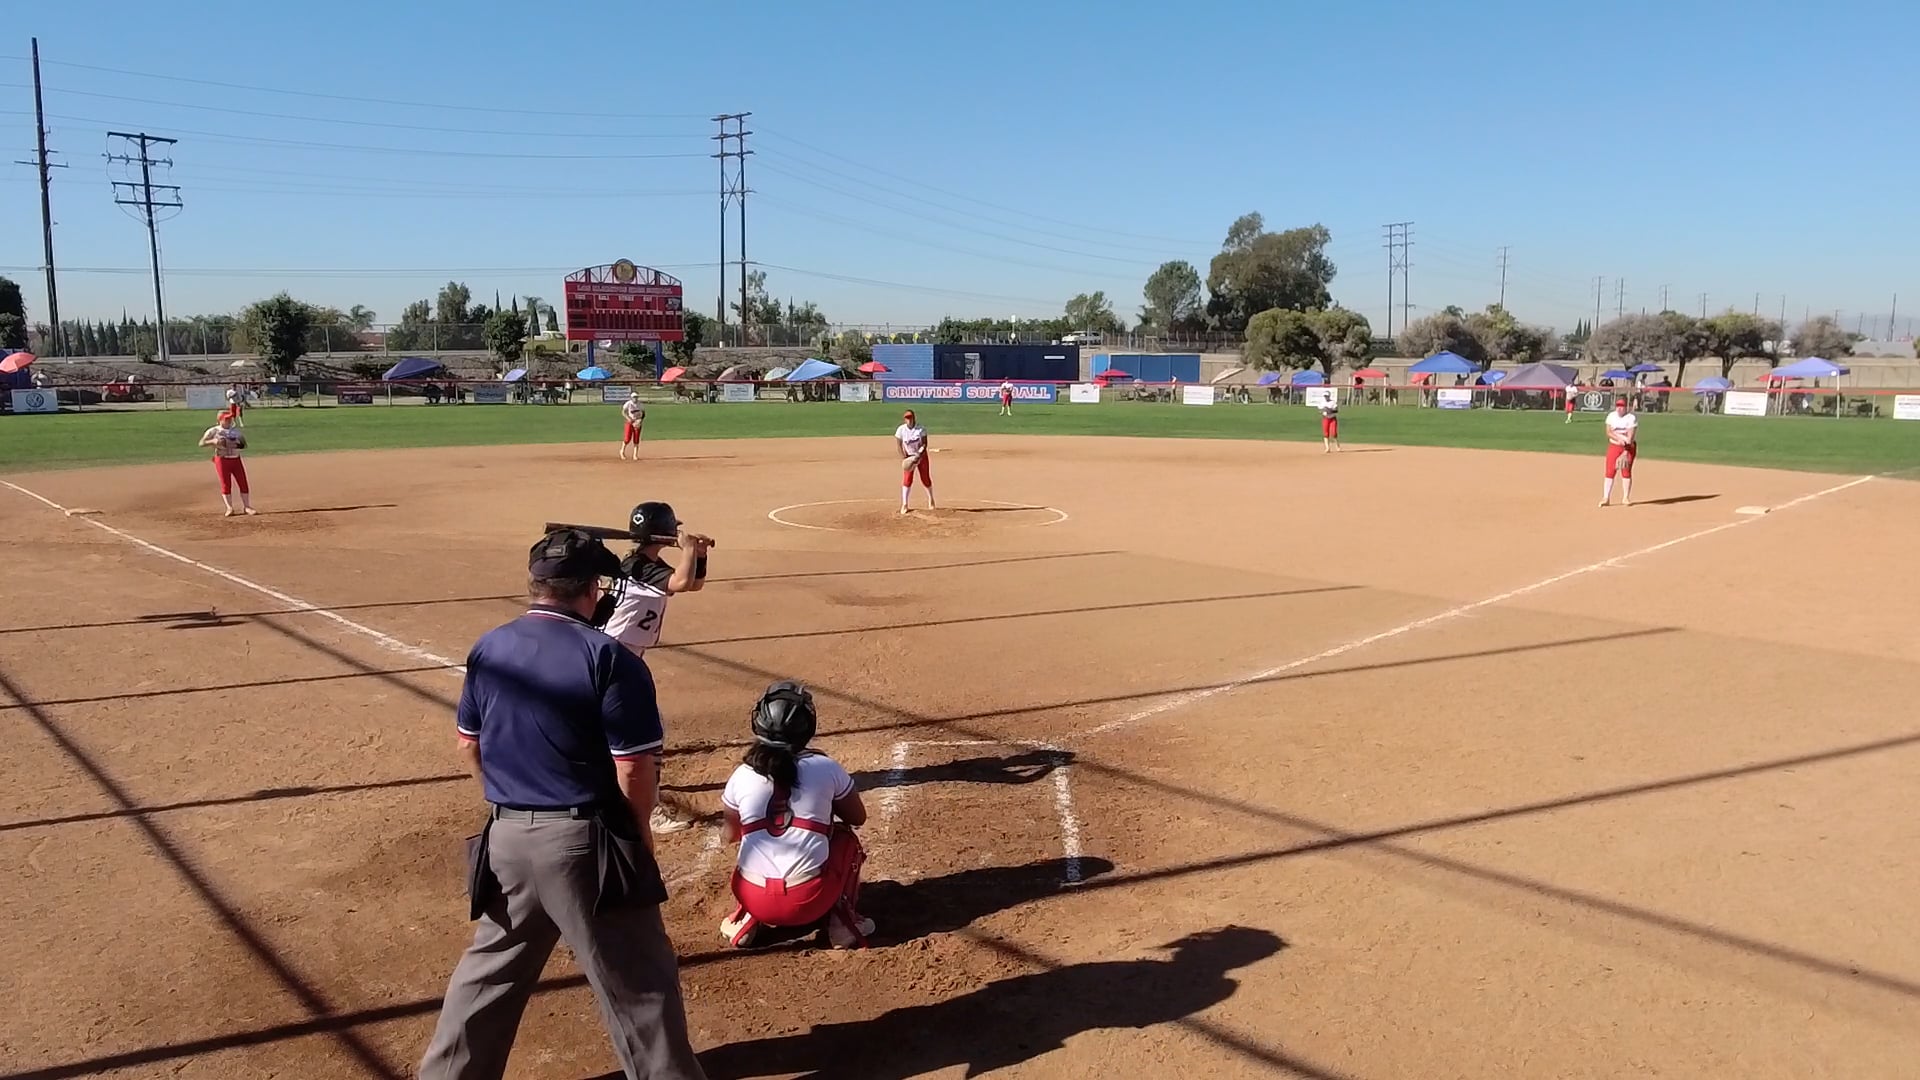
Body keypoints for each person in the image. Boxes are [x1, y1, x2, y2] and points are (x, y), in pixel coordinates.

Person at [420, 529, 707, 1080]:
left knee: (488, 977)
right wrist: (637, 836)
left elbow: (468, 745)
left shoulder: (490, 646)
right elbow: (633, 766)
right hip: (584, 846)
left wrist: (510, 806)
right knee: (640, 983)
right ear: (593, 589)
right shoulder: (609, 657)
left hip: (505, 839)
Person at [718, 681, 874, 950]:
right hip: (810, 900)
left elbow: (729, 835)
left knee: (751, 836)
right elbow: (857, 817)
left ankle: (744, 920)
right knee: (845, 838)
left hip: (754, 897)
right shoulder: (825, 766)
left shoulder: (742, 773)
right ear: (807, 727)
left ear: (758, 723)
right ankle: (842, 925)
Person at [597, 501, 714, 834]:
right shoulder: (638, 567)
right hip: (614, 658)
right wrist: (687, 550)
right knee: (648, 729)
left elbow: (692, 583)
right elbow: (681, 582)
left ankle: (621, 791)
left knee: (612, 730)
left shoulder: (645, 564)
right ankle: (649, 810)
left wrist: (699, 555)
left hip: (617, 655)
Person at [198, 410, 255, 517]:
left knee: (242, 482)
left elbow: (244, 444)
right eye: (226, 419)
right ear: (220, 420)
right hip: (222, 460)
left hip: (236, 459)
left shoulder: (236, 431)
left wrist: (235, 444)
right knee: (225, 484)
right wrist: (213, 441)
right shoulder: (214, 431)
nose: (229, 420)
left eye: (230, 418)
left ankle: (247, 506)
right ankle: (229, 508)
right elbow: (201, 443)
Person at [1601, 396, 1638, 507]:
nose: (1619, 408)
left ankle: (1625, 497)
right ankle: (1606, 498)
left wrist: (1625, 452)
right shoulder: (1611, 416)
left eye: (1622, 406)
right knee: (1610, 471)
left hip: (1628, 448)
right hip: (1614, 446)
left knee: (1626, 471)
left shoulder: (1631, 418)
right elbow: (1608, 432)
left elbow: (1630, 437)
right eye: (1618, 405)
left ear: (1627, 406)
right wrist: (1618, 438)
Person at [895, 409, 935, 514]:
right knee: (907, 480)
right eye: (907, 418)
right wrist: (904, 458)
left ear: (914, 418)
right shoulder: (901, 430)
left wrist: (919, 455)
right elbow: (899, 445)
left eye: (910, 417)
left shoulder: (920, 429)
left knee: (925, 478)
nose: (909, 420)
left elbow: (924, 444)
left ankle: (931, 499)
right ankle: (905, 504)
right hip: (909, 457)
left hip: (921, 457)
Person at [620, 391, 646, 461]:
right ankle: (622, 451)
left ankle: (635, 455)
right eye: (634, 397)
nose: (635, 398)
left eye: (636, 397)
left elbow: (643, 414)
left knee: (636, 439)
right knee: (627, 439)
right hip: (630, 422)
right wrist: (628, 419)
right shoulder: (628, 404)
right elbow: (623, 412)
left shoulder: (640, 404)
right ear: (631, 398)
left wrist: (640, 421)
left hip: (637, 422)